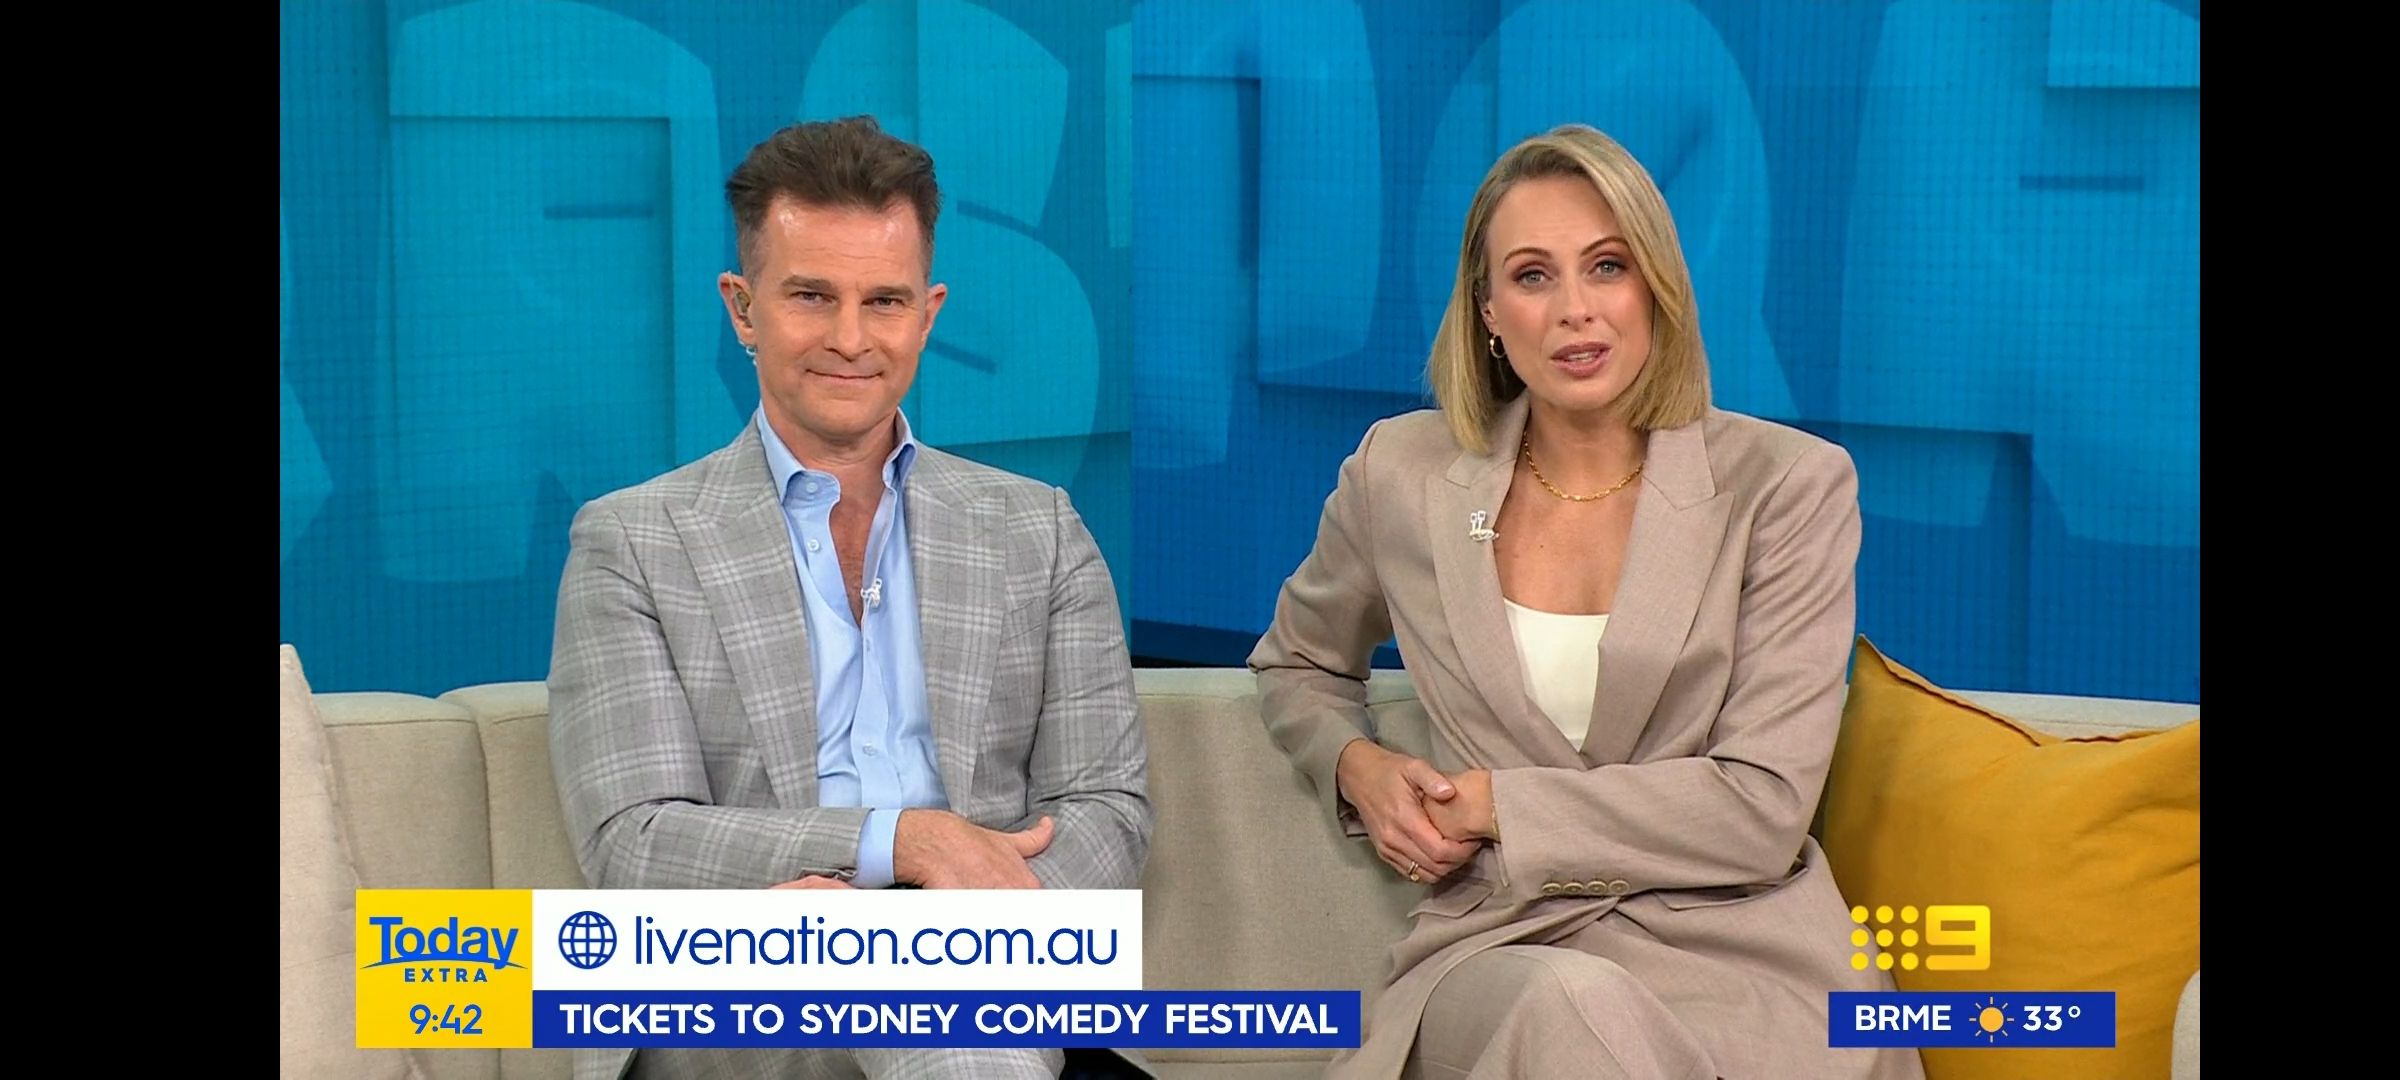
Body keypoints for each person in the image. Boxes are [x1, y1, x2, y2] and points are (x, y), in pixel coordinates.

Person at [1247, 123, 1924, 1079]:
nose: (1576, 311)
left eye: (1607, 266)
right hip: (1505, 940)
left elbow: (1762, 806)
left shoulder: (1789, 485)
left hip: (1743, 953)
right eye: (1533, 276)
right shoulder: (1399, 472)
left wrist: (1499, 806)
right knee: (1567, 1009)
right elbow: (1299, 663)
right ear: (1487, 310)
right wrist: (1357, 766)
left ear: (1656, 286)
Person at [548, 115, 1150, 1080]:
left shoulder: (1038, 531)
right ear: (743, 308)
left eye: (885, 301)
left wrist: (948, 933)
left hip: (986, 978)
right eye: (811, 296)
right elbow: (636, 840)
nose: (850, 338)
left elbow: (1106, 812)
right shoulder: (633, 542)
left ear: (929, 314)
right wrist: (903, 844)